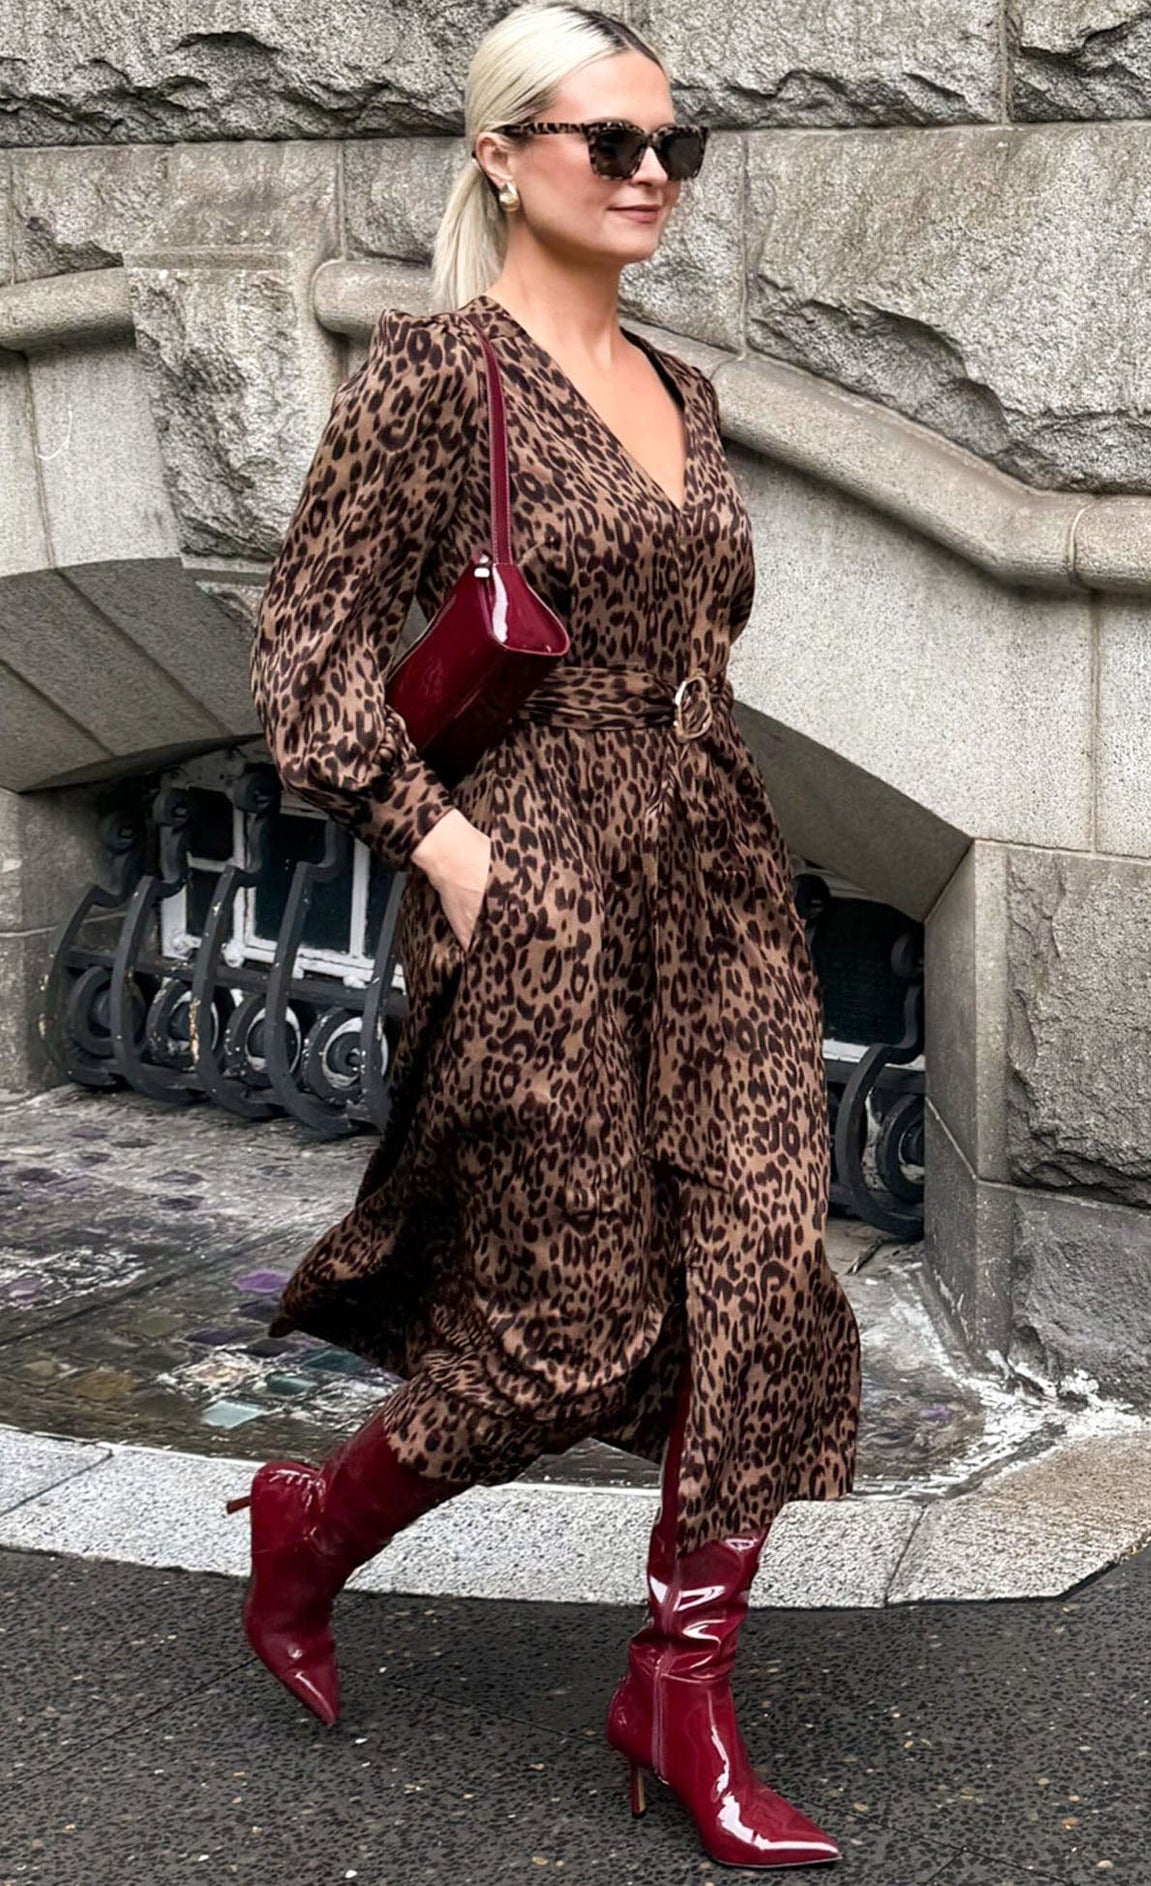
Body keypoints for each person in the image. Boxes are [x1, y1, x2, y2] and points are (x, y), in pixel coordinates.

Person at [232, 0, 862, 1867]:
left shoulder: (687, 390)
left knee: (766, 1263)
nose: (654, 174)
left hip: (713, 869)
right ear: (503, 158)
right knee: (566, 1330)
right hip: (538, 873)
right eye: (614, 141)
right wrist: (444, 850)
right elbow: (307, 648)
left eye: (677, 146)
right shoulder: (442, 374)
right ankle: (311, 1531)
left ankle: (681, 1684)